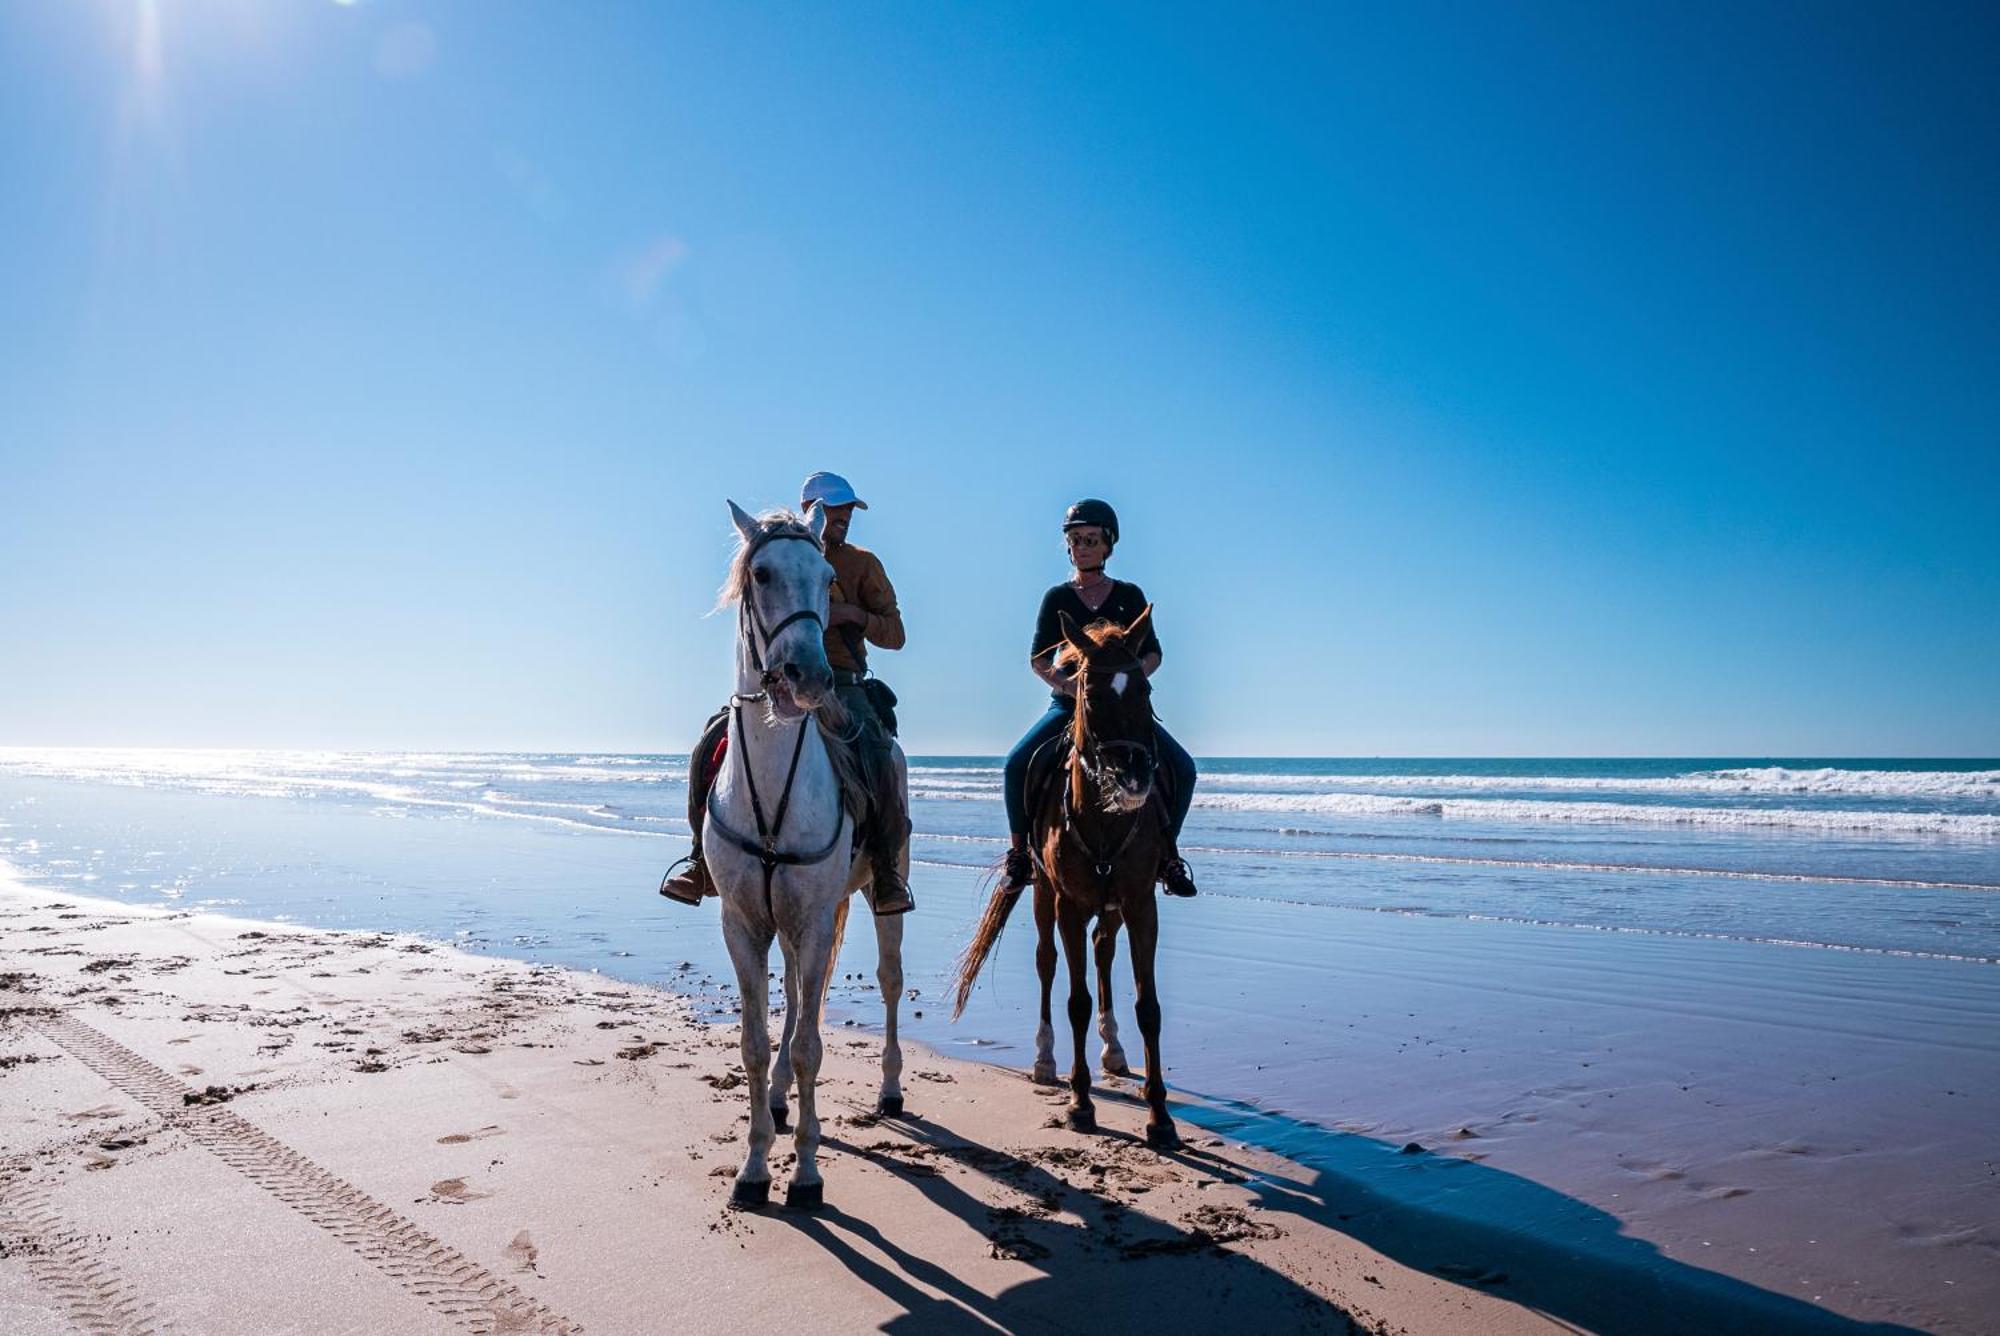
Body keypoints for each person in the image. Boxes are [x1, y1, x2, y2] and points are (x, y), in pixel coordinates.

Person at [659, 471, 914, 915]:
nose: (842, 518)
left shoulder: (863, 563)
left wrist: (853, 615)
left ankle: (886, 870)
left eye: (847, 510)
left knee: (878, 753)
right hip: (775, 681)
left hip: (842, 683)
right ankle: (700, 858)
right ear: (810, 509)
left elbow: (896, 634)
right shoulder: (780, 554)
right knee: (709, 745)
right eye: (833, 509)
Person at [997, 499, 1198, 899]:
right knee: (1016, 762)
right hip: (1069, 705)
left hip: (1122, 711)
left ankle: (1167, 854)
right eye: (1075, 540)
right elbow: (1038, 658)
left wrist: (1126, 683)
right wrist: (1073, 688)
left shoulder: (1129, 594)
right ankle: (1019, 854)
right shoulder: (1057, 597)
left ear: (1108, 545)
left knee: (1184, 768)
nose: (1082, 546)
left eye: (1091, 539)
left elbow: (1154, 652)